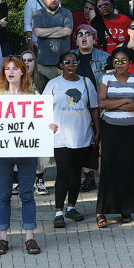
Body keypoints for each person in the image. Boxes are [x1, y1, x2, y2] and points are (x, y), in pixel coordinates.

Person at [0, 56, 51, 255]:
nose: (11, 72)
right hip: (3, 152)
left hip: (27, 152)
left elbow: (42, 123)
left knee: (27, 195)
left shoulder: (34, 96)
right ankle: (2, 238)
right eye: (7, 69)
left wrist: (50, 127)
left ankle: (30, 238)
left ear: (23, 71)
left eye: (15, 68)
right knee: (3, 195)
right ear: (4, 73)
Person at [44, 51, 99, 228]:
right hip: (60, 137)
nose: (70, 65)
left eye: (74, 62)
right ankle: (58, 211)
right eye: (66, 62)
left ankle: (71, 207)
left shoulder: (86, 82)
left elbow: (94, 107)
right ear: (61, 65)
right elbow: (42, 108)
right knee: (63, 172)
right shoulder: (53, 84)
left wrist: (98, 131)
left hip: (82, 135)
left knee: (76, 173)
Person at [95, 47, 134, 227]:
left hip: (131, 129)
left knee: (128, 168)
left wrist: (113, 105)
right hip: (110, 129)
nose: (120, 64)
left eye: (124, 60)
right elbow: (101, 103)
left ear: (130, 62)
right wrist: (125, 101)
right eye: (116, 60)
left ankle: (126, 208)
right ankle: (101, 210)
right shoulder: (105, 78)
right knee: (109, 168)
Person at [33, 0, 73, 80]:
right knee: (43, 91)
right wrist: (57, 28)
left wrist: (45, 34)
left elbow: (67, 31)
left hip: (63, 64)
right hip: (43, 63)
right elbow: (38, 33)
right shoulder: (37, 14)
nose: (53, 0)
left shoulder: (66, 13)